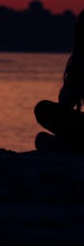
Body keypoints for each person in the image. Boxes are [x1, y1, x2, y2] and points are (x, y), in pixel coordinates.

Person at [34, 10, 84, 152]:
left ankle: (69, 145)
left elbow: (65, 102)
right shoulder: (78, 63)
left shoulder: (79, 63)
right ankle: (68, 144)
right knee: (42, 109)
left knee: (42, 110)